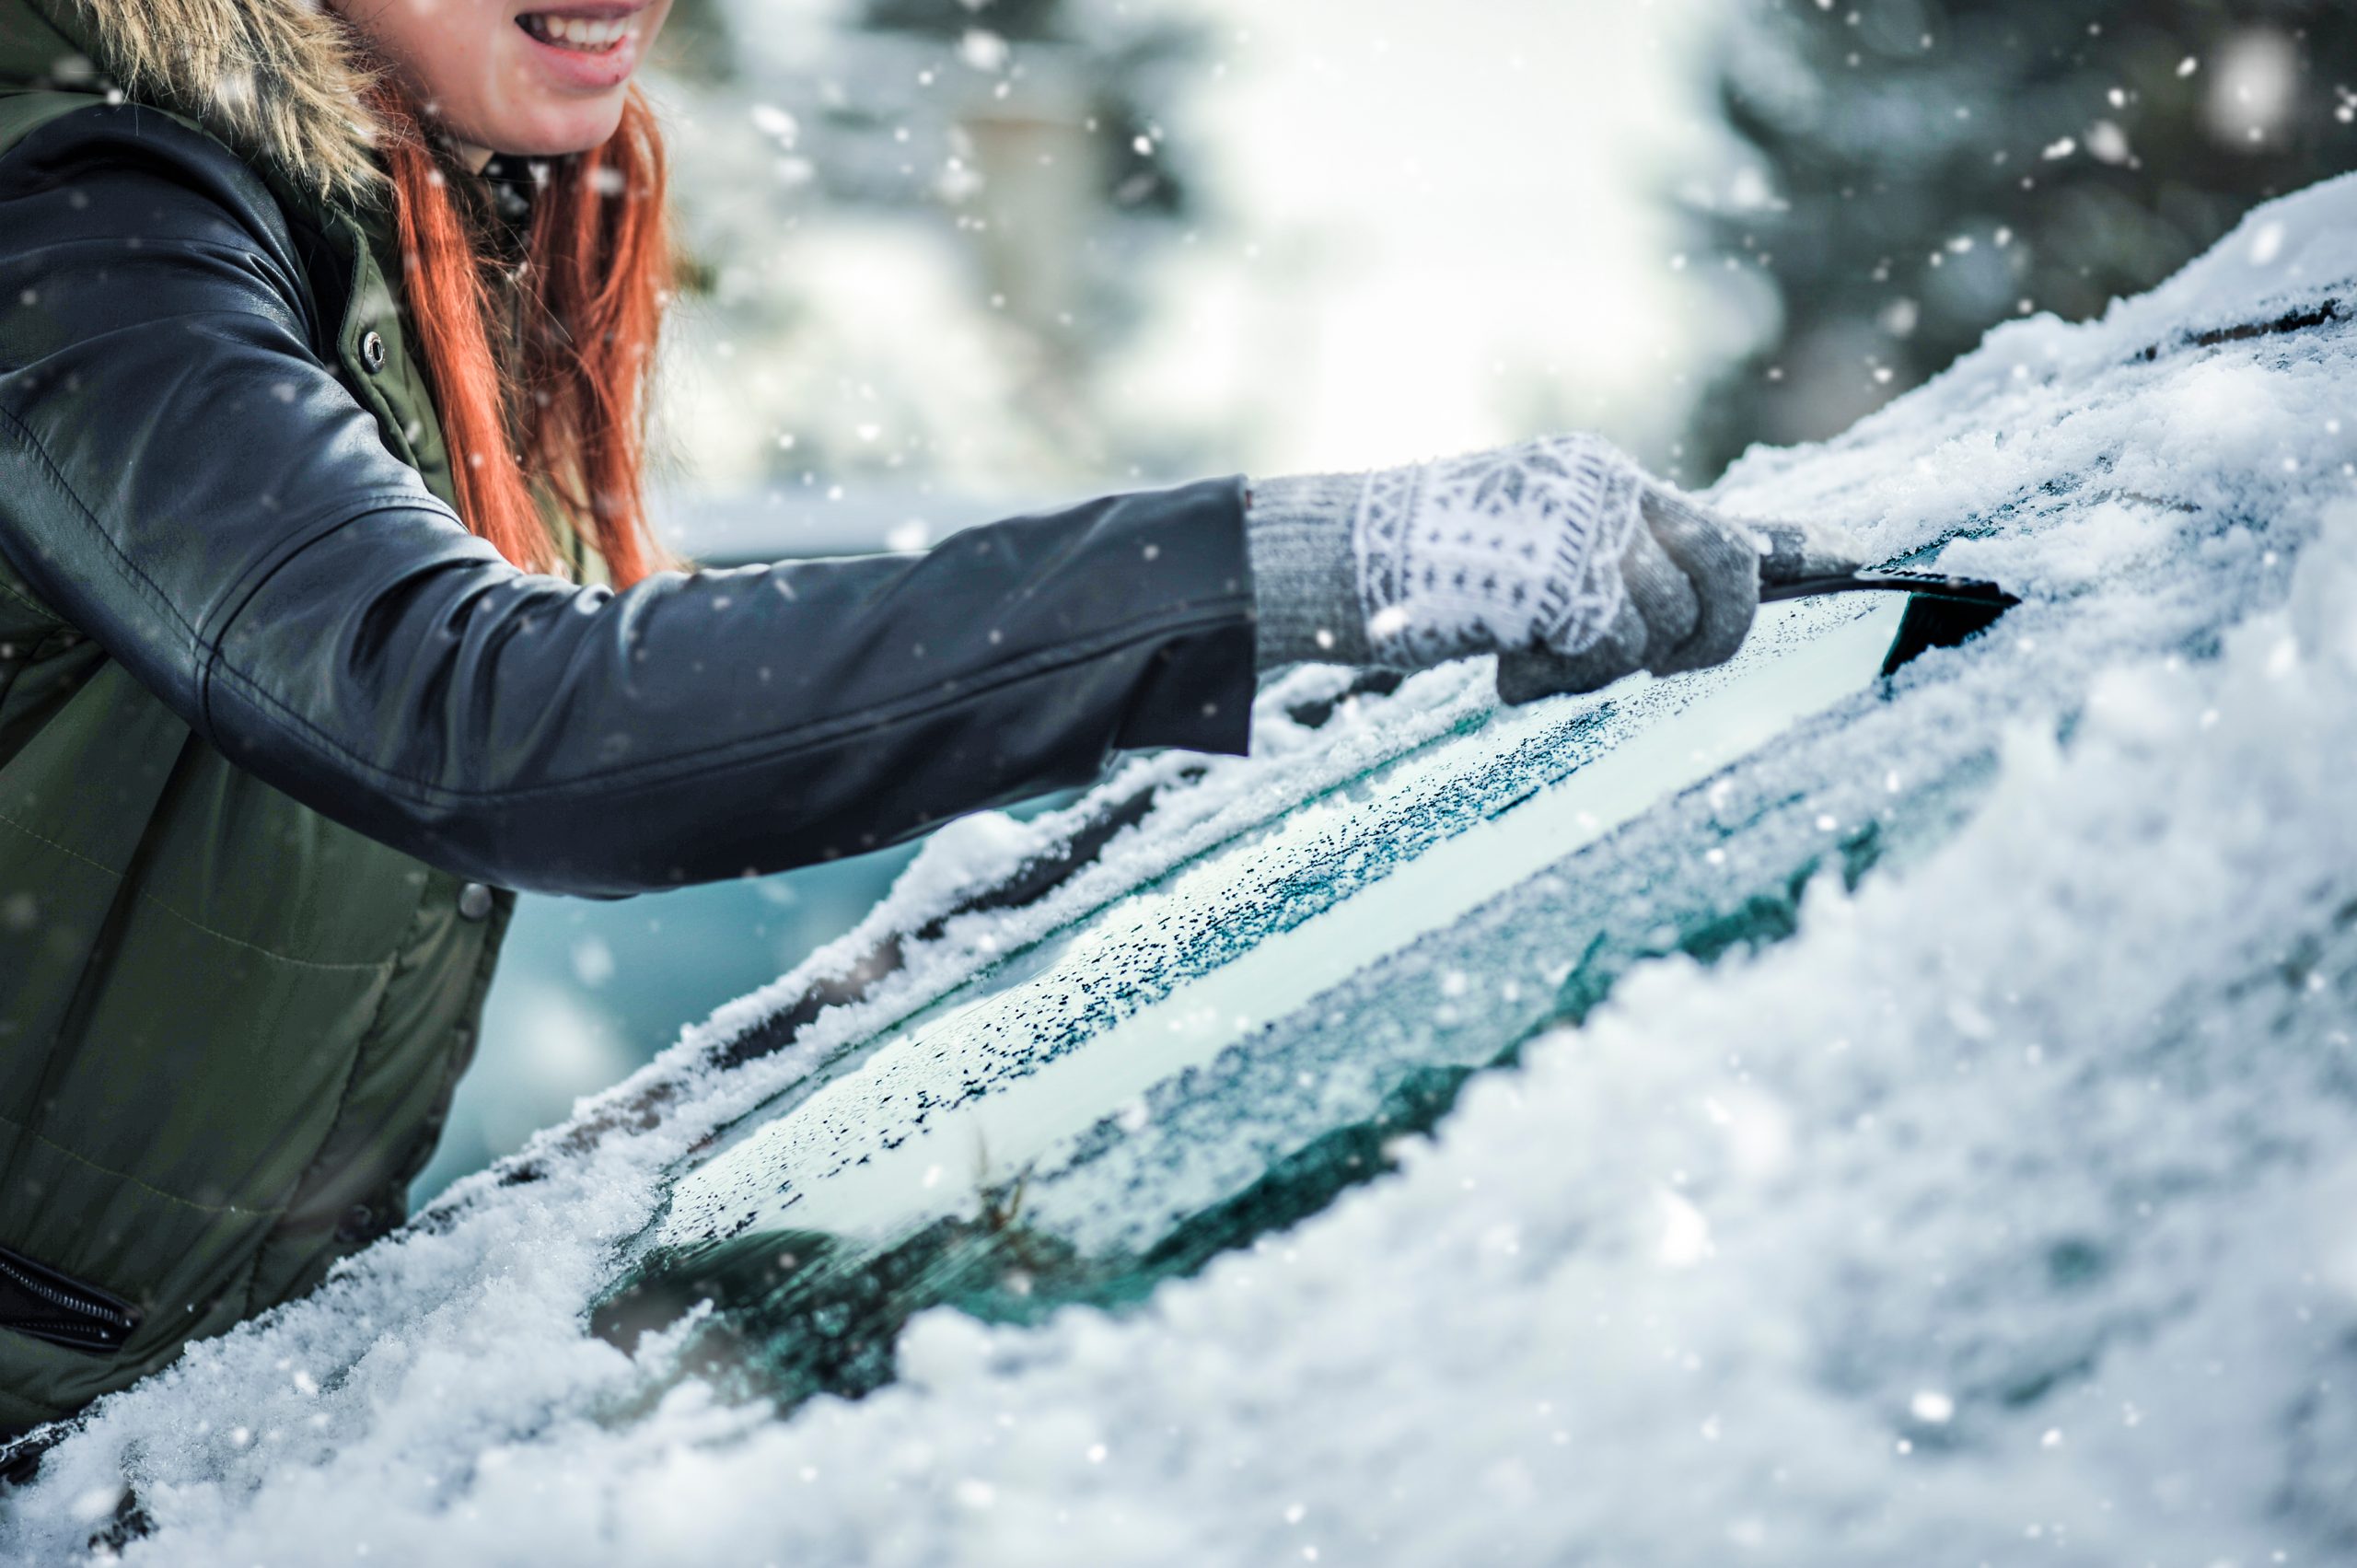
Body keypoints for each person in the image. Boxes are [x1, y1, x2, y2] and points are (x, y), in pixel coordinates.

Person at [0, 0, 1858, 1441]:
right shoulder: (83, 229)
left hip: (173, 1439)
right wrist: (1279, 568)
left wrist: (1261, 714)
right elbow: (474, 716)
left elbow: (643, 681)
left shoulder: (405, 229)